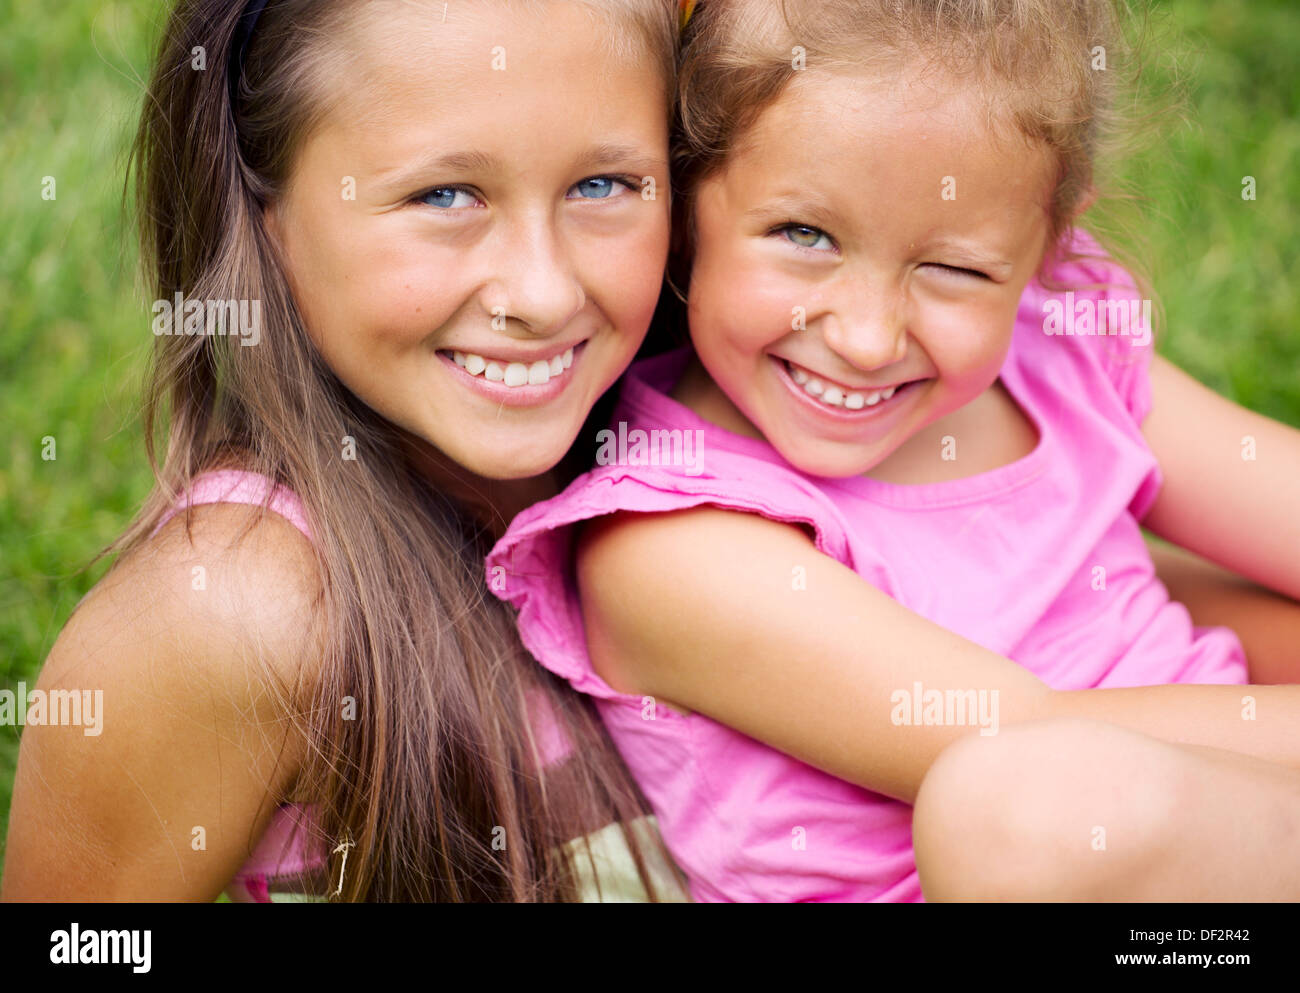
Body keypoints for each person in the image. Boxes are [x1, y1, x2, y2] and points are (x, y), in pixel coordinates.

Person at [487, 0, 1300, 901]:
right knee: (1006, 804)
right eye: (804, 236)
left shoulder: (1056, 351)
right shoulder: (667, 539)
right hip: (1078, 847)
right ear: (685, 206)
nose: (869, 339)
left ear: (1050, 243)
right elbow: (1032, 743)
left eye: (953, 269)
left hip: (1232, 832)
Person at [2, 0, 689, 902]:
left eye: (603, 185)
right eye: (444, 196)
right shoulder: (241, 619)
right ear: (266, 211)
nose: (543, 290)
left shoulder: (730, 456)